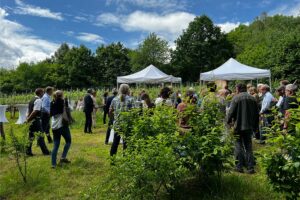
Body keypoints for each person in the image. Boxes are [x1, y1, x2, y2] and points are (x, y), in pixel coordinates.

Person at [227, 83, 259, 174]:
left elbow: (231, 112)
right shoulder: (252, 98)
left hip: (238, 126)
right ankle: (250, 168)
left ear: (238, 89)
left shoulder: (236, 98)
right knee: (248, 146)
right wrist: (256, 127)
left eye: (236, 89)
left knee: (238, 145)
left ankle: (239, 167)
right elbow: (257, 114)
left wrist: (228, 122)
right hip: (249, 126)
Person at [110, 84, 133, 156]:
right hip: (127, 124)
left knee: (115, 142)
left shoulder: (115, 99)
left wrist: (113, 119)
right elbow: (134, 111)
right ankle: (125, 158)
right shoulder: (131, 99)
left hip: (117, 123)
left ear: (119, 90)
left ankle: (112, 159)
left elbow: (110, 111)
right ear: (128, 90)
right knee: (126, 142)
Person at [50, 90, 72, 168]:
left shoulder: (52, 102)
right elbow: (70, 109)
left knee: (56, 145)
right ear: (62, 95)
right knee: (68, 141)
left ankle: (53, 164)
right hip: (62, 125)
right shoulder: (63, 102)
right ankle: (63, 157)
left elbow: (51, 113)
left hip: (54, 126)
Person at [26, 88, 50, 156]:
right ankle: (45, 152)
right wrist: (28, 119)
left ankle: (28, 151)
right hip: (35, 120)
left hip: (31, 120)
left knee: (31, 136)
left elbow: (28, 110)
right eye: (43, 92)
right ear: (40, 92)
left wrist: (28, 118)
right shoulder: (38, 100)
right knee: (40, 136)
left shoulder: (32, 99)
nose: (43, 94)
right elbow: (35, 111)